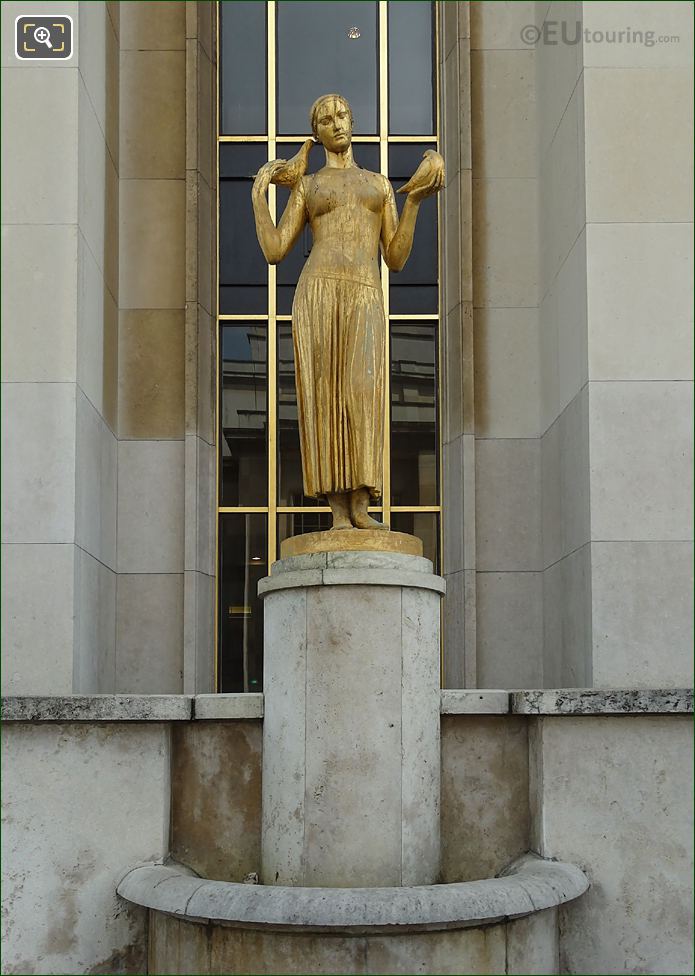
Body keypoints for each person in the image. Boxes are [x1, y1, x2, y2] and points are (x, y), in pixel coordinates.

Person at [252, 93, 443, 530]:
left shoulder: (377, 185)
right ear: (315, 134)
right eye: (325, 119)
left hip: (364, 292)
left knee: (362, 393)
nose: (336, 123)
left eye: (341, 115)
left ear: (352, 121)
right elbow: (275, 248)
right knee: (326, 397)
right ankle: (339, 511)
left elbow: (395, 257)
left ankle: (362, 501)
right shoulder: (309, 185)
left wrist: (413, 200)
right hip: (318, 294)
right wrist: (258, 197)